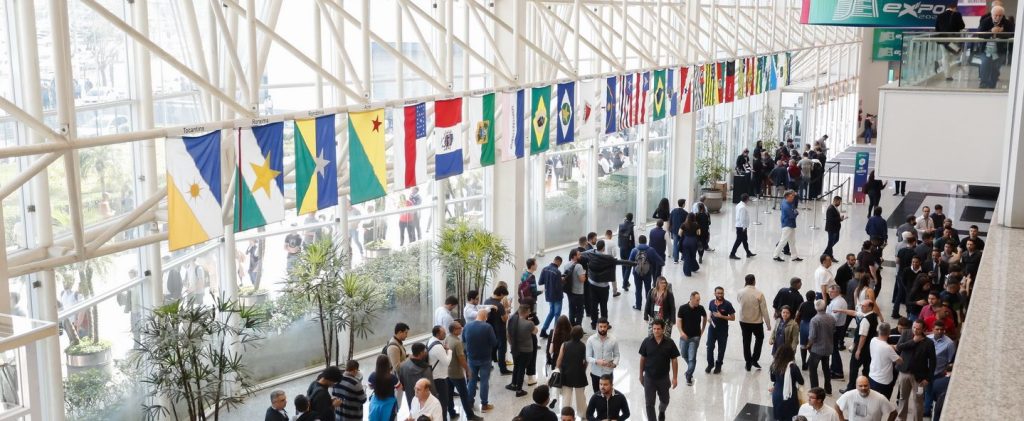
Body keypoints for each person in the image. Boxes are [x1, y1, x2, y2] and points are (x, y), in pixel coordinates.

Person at [583, 241, 635, 328]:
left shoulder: (591, 253)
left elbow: (582, 253)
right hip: (603, 287)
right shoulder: (608, 258)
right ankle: (604, 324)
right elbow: (621, 262)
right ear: (603, 248)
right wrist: (634, 263)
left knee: (594, 305)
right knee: (603, 306)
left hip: (592, 284)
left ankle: (593, 323)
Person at [894, 320, 936, 421]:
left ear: (923, 329)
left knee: (918, 401)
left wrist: (928, 378)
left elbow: (933, 362)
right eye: (914, 327)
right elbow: (898, 348)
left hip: (919, 378)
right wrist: (913, 341)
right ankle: (901, 419)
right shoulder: (906, 333)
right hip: (904, 373)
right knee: (902, 399)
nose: (915, 330)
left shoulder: (929, 343)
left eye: (918, 329)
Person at [638, 319, 679, 421]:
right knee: (649, 404)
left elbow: (674, 360)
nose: (656, 331)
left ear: (663, 329)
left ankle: (661, 411)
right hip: (649, 378)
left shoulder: (670, 343)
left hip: (663, 378)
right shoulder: (647, 341)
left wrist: (675, 378)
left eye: (658, 329)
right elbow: (642, 359)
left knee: (665, 400)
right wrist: (640, 375)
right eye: (654, 329)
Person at [445, 321, 482, 421]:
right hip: (457, 373)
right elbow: (461, 359)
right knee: (464, 395)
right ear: (454, 330)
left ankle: (451, 412)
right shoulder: (457, 342)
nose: (461, 328)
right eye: (459, 327)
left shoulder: (447, 338)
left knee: (449, 394)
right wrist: (468, 370)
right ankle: (470, 415)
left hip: (448, 372)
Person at [463, 310, 497, 413]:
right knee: (484, 381)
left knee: (471, 381)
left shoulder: (467, 326)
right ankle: (484, 404)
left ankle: (470, 402)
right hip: (485, 358)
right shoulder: (487, 327)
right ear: (485, 316)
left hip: (471, 358)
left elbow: (464, 339)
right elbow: (494, 342)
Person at [738, 274, 772, 371]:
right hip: (756, 322)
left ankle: (748, 362)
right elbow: (764, 310)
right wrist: (768, 324)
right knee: (759, 338)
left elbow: (739, 301)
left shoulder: (740, 292)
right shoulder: (759, 294)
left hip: (743, 321)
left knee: (746, 341)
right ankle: (755, 359)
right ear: (754, 281)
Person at [924, 323, 956, 417]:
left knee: (932, 392)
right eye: (937, 329)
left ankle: (929, 410)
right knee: (927, 391)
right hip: (926, 370)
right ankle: (926, 409)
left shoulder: (949, 343)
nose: (939, 331)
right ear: (933, 329)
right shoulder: (927, 339)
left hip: (939, 372)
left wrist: (945, 371)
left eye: (941, 329)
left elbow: (951, 360)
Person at [978, 5, 1014, 89]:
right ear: (992, 14)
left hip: (1000, 51)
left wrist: (1001, 33)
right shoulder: (985, 21)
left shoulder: (1007, 23)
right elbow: (980, 34)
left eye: (1000, 15)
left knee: (995, 69)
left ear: (1003, 15)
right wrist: (991, 31)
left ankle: (992, 86)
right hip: (986, 50)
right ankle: (983, 85)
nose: (997, 17)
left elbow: (1011, 35)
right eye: (995, 15)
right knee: (984, 67)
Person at [556, 326, 589, 417]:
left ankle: (565, 414)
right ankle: (583, 414)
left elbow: (559, 360)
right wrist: (583, 370)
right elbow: (586, 361)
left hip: (566, 374)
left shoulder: (565, 344)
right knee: (581, 396)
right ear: (581, 335)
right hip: (579, 374)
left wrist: (557, 368)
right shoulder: (583, 346)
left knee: (566, 396)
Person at [677, 291, 707, 386]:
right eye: (697, 300)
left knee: (692, 358)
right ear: (691, 299)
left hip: (695, 337)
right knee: (684, 354)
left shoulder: (700, 308)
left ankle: (689, 375)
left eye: (699, 300)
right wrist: (681, 333)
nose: (699, 301)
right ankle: (690, 369)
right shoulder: (682, 308)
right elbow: (678, 322)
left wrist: (702, 330)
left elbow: (705, 317)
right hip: (684, 337)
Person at [507, 304, 538, 396]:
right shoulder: (529, 323)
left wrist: (511, 344)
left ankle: (513, 384)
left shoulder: (512, 320)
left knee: (516, 366)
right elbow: (535, 331)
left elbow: (508, 334)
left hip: (515, 348)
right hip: (526, 350)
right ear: (527, 312)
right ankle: (519, 390)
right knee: (521, 369)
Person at [805, 300, 836, 395]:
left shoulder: (815, 320)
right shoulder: (831, 318)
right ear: (825, 307)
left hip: (817, 349)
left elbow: (812, 336)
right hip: (828, 347)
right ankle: (828, 389)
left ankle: (815, 391)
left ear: (815, 308)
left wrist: (808, 345)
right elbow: (834, 331)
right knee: (826, 368)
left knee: (813, 369)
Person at [629, 235, 665, 311]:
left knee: (638, 290)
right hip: (648, 273)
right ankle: (649, 306)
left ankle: (638, 306)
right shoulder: (651, 250)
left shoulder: (634, 250)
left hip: (637, 273)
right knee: (648, 290)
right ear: (646, 241)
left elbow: (629, 262)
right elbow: (661, 261)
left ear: (639, 241)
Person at [706, 286, 736, 373]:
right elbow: (711, 311)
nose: (720, 295)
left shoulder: (728, 304)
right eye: (718, 293)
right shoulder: (711, 302)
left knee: (721, 349)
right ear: (714, 293)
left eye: (721, 293)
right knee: (709, 347)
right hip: (712, 329)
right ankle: (710, 364)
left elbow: (733, 318)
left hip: (722, 330)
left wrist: (721, 316)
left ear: (723, 293)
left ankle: (718, 365)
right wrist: (709, 318)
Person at [769, 345, 803, 421]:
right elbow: (801, 381)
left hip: (777, 394)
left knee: (779, 416)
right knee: (790, 417)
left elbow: (773, 379)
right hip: (790, 396)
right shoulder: (793, 367)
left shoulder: (774, 365)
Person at [585, 318, 619, 394]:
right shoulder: (591, 340)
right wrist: (597, 361)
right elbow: (588, 357)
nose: (602, 329)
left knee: (608, 395)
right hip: (595, 373)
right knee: (597, 395)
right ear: (597, 326)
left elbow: (617, 355)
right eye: (601, 326)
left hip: (608, 373)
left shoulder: (613, 340)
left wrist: (614, 364)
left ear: (607, 327)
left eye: (604, 326)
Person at [868, 323, 901, 399]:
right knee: (884, 402)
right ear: (889, 333)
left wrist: (891, 346)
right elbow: (899, 361)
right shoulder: (887, 348)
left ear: (879, 331)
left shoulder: (873, 340)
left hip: (872, 375)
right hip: (884, 381)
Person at [426, 326, 452, 421]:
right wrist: (449, 351)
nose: (445, 334)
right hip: (439, 378)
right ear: (438, 334)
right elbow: (447, 362)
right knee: (443, 402)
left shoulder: (430, 340)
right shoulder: (437, 346)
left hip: (434, 376)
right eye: (443, 333)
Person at [483, 286, 511, 375]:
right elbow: (504, 319)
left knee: (491, 347)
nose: (503, 298)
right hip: (500, 329)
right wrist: (507, 310)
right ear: (501, 294)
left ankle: (489, 364)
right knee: (502, 349)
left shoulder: (486, 301)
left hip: (489, 328)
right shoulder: (499, 305)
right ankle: (503, 369)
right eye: (503, 296)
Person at [397, 343, 436, 408]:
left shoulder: (403, 366)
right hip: (425, 401)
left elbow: (402, 384)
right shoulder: (425, 369)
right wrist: (435, 397)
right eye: (424, 351)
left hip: (411, 399)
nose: (426, 353)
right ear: (421, 353)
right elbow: (430, 386)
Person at [368, 355, 401, 421]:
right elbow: (399, 387)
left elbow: (370, 387)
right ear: (388, 364)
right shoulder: (393, 377)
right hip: (389, 404)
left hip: (376, 403)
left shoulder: (372, 375)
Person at [773, 191, 802, 262]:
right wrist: (796, 213)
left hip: (790, 224)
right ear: (786, 197)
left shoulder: (786, 201)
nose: (793, 198)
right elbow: (792, 215)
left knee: (792, 241)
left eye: (793, 196)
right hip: (787, 225)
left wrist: (795, 195)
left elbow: (794, 203)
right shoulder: (786, 206)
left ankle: (794, 256)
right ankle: (775, 256)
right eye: (791, 197)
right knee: (783, 241)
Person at [826, 285, 849, 379]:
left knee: (834, 350)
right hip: (838, 327)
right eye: (829, 291)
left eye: (832, 291)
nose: (829, 293)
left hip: (835, 328)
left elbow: (834, 319)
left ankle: (838, 371)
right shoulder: (838, 300)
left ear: (837, 292)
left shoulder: (838, 303)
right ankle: (834, 367)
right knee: (834, 349)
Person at [539, 256, 565, 338]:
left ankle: (543, 330)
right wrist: (562, 281)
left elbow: (540, 282)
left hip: (549, 295)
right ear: (558, 262)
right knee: (557, 314)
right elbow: (558, 287)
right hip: (557, 296)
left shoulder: (544, 269)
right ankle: (556, 333)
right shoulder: (557, 272)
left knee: (551, 312)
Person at [564, 249, 588, 327]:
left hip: (570, 291)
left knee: (571, 309)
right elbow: (582, 280)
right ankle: (578, 327)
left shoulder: (566, 265)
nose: (580, 256)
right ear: (574, 256)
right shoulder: (579, 266)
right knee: (580, 311)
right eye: (579, 255)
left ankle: (572, 327)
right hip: (578, 292)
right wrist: (584, 274)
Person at [730, 194, 756, 259]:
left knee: (744, 240)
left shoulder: (739, 205)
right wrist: (744, 228)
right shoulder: (742, 207)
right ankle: (732, 254)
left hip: (741, 226)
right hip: (741, 227)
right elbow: (742, 219)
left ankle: (748, 252)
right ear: (746, 199)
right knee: (738, 241)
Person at [796, 290, 817, 369]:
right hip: (812, 326)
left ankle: (803, 363)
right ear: (814, 297)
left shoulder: (802, 304)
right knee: (812, 346)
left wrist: (797, 325)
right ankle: (809, 362)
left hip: (803, 325)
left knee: (803, 345)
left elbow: (797, 316)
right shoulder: (816, 306)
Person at [618, 213, 637, 293]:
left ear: (625, 218)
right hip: (630, 248)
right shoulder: (633, 227)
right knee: (628, 266)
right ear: (632, 219)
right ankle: (625, 283)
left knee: (623, 265)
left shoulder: (620, 225)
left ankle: (626, 282)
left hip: (622, 247)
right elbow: (635, 239)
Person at [824, 196, 845, 261]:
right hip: (832, 229)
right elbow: (830, 219)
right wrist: (839, 218)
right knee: (831, 242)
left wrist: (840, 219)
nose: (840, 203)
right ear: (835, 200)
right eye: (839, 202)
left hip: (835, 228)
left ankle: (825, 252)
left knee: (835, 240)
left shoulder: (834, 207)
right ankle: (830, 256)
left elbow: (835, 218)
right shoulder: (830, 208)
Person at [668, 199, 688, 264]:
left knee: (675, 245)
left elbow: (670, 221)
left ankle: (675, 260)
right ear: (683, 204)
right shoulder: (685, 213)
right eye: (685, 203)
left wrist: (670, 229)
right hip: (682, 232)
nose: (685, 204)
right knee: (683, 244)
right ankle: (682, 258)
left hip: (674, 231)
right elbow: (686, 223)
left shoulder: (673, 211)